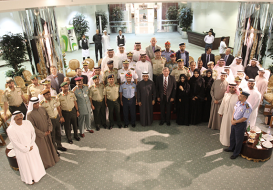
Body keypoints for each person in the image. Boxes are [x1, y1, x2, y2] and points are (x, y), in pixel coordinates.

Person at [7, 111, 46, 185]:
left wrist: (31, 144)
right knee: (26, 165)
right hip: (21, 150)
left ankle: (38, 175)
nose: (19, 117)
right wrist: (26, 149)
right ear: (14, 118)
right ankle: (29, 179)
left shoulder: (28, 123)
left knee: (35, 161)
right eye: (17, 116)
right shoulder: (11, 129)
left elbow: (33, 134)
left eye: (20, 115)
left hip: (32, 146)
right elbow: (14, 142)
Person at [27, 97, 59, 168]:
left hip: (47, 133)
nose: (37, 104)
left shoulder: (42, 109)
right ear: (31, 104)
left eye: (37, 103)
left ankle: (53, 159)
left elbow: (48, 119)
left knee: (50, 146)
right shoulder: (29, 115)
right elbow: (32, 127)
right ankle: (46, 164)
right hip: (40, 136)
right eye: (34, 104)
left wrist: (50, 128)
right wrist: (42, 134)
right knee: (43, 150)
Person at [224, 91, 252, 159]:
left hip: (241, 125)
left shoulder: (247, 106)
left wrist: (235, 122)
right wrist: (232, 119)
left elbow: (245, 118)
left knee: (238, 140)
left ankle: (236, 153)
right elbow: (234, 110)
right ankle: (231, 148)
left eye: (241, 95)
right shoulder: (238, 102)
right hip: (234, 122)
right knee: (232, 137)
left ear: (245, 97)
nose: (239, 96)